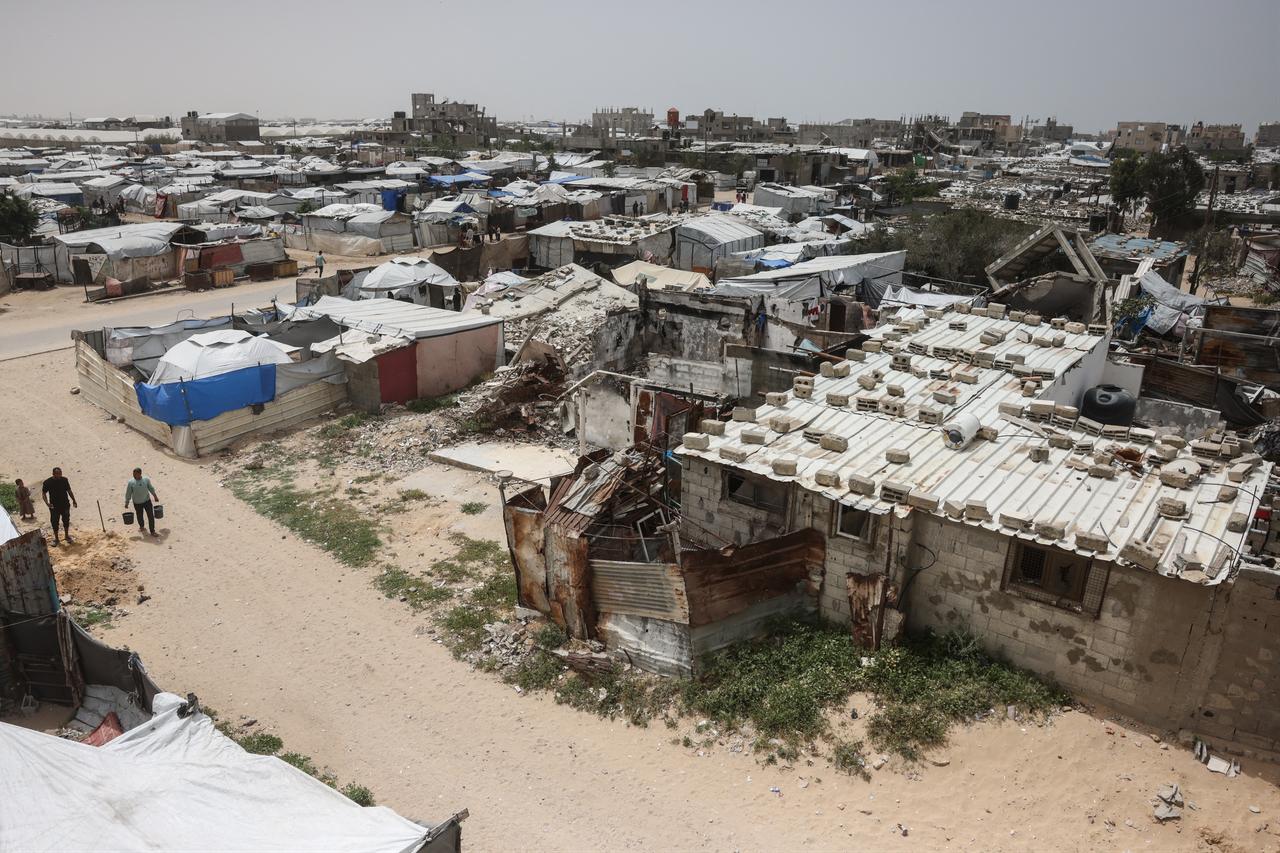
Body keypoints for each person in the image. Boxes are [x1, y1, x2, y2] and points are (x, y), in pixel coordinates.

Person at [41, 467, 76, 546]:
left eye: (60, 473)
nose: (59, 475)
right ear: (53, 474)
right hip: (54, 506)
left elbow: (69, 491)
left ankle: (67, 536)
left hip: (65, 504)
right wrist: (47, 503)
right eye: (57, 474)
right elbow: (43, 493)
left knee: (66, 520)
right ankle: (56, 539)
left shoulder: (64, 480)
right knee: (54, 522)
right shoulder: (47, 482)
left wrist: (74, 500)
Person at [124, 467, 159, 537]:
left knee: (151, 516)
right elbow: (128, 493)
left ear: (140, 474)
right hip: (137, 503)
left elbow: (151, 488)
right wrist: (127, 502)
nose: (134, 475)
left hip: (147, 501)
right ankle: (142, 527)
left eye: (135, 474)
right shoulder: (131, 482)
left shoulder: (146, 480)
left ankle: (152, 531)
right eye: (133, 474)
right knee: (139, 516)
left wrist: (155, 496)